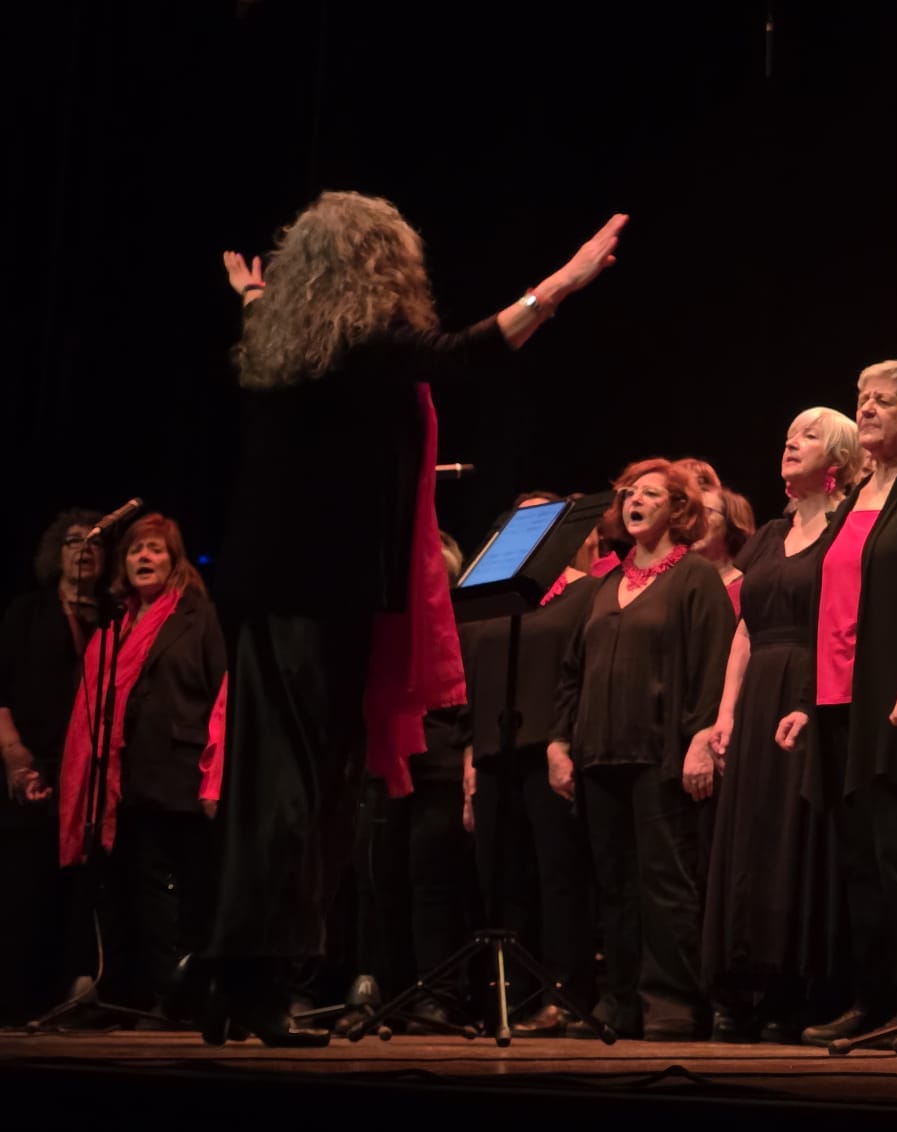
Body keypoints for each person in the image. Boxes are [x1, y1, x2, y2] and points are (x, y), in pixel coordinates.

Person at [207, 191, 625, 1046]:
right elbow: (470, 351)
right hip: (319, 594)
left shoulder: (285, 349)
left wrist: (253, 297)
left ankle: (236, 976)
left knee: (277, 791)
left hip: (274, 593)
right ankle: (253, 979)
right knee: (304, 795)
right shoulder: (365, 346)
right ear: (379, 264)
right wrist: (565, 284)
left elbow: (273, 326)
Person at [777, 361, 897, 1049]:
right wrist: (804, 699)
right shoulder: (854, 497)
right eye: (862, 400)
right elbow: (826, 608)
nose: (866, 410)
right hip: (836, 705)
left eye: (883, 402)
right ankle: (872, 997)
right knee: (857, 862)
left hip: (895, 702)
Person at [548, 458, 736, 1040]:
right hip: (600, 755)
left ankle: (673, 1003)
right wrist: (559, 742)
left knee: (666, 882)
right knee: (615, 885)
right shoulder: (607, 585)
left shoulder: (694, 578)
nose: (633, 500)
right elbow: (572, 673)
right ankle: (620, 1002)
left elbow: (712, 664)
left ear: (677, 510)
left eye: (649, 494)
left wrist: (701, 740)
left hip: (661, 756)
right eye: (629, 493)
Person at [705, 408, 863, 1042]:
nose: (791, 442)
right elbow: (745, 626)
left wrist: (814, 695)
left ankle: (796, 991)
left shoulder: (848, 528)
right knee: (751, 836)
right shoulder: (768, 535)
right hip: (758, 693)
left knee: (799, 838)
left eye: (809, 435)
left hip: (811, 686)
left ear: (840, 461)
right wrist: (725, 712)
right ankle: (742, 985)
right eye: (789, 433)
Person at [57, 514, 226, 1019]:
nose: (143, 558)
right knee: (135, 891)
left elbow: (224, 695)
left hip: (181, 774)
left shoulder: (199, 617)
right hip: (126, 781)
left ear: (175, 562)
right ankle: (153, 996)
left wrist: (215, 775)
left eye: (155, 550)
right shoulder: (115, 627)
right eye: (135, 551)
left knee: (183, 889)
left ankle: (190, 996)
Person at [459, 494, 600, 1036]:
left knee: (558, 878)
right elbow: (474, 678)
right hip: (494, 751)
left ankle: (564, 995)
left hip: (549, 749)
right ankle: (508, 1000)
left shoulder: (586, 593)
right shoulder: (490, 598)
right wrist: (471, 754)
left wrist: (564, 741)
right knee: (503, 880)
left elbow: (578, 672)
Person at [0, 510, 106, 1022]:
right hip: (31, 768)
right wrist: (15, 757)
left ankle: (73, 1003)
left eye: (94, 542)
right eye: (72, 540)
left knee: (80, 896)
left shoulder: (112, 616)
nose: (83, 548)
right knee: (24, 890)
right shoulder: (27, 612)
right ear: (55, 553)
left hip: (89, 779)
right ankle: (18, 1002)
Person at [694, 485, 758, 616]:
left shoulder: (750, 586)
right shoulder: (684, 583)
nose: (693, 521)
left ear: (731, 522)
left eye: (705, 512)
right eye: (692, 513)